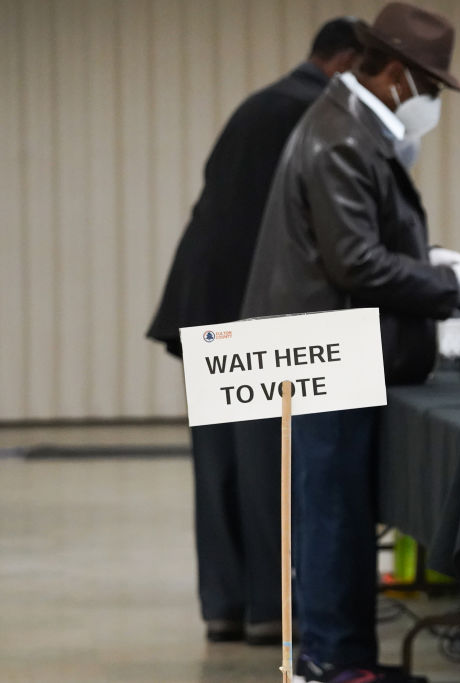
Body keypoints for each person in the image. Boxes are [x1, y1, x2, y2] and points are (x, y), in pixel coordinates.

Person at [240, 4, 460, 682]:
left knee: (340, 512)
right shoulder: (342, 138)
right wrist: (449, 283)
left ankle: (347, 658)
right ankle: (330, 660)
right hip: (326, 348)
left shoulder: (350, 131)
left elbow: (360, 246)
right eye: (430, 90)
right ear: (399, 77)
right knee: (330, 515)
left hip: (337, 345)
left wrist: (431, 259)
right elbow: (357, 263)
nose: (431, 104)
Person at [145, 18, 363, 645]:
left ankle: (227, 604)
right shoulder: (314, 116)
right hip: (259, 306)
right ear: (344, 61)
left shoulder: (264, 105)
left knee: (220, 465)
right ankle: (272, 607)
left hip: (211, 302)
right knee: (270, 461)